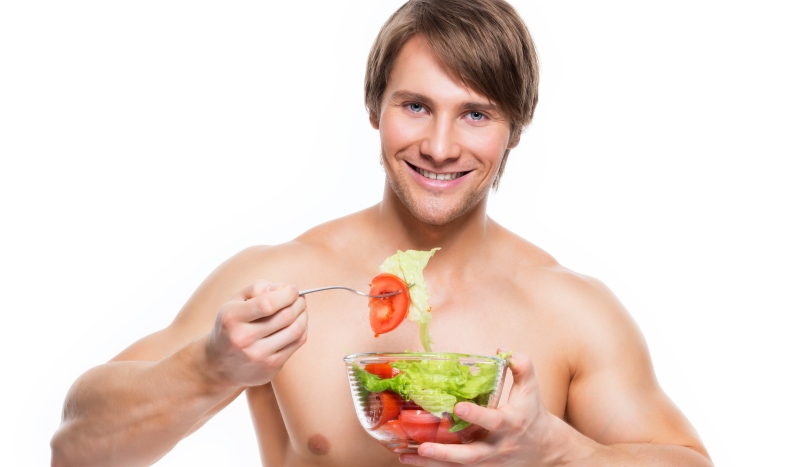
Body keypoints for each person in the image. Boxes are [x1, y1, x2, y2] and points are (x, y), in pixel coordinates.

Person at [50, 0, 712, 465]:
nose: (441, 145)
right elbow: (75, 449)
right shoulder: (282, 282)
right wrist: (207, 367)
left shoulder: (570, 309)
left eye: (476, 113)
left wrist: (558, 449)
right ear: (376, 108)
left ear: (514, 129)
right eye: (417, 105)